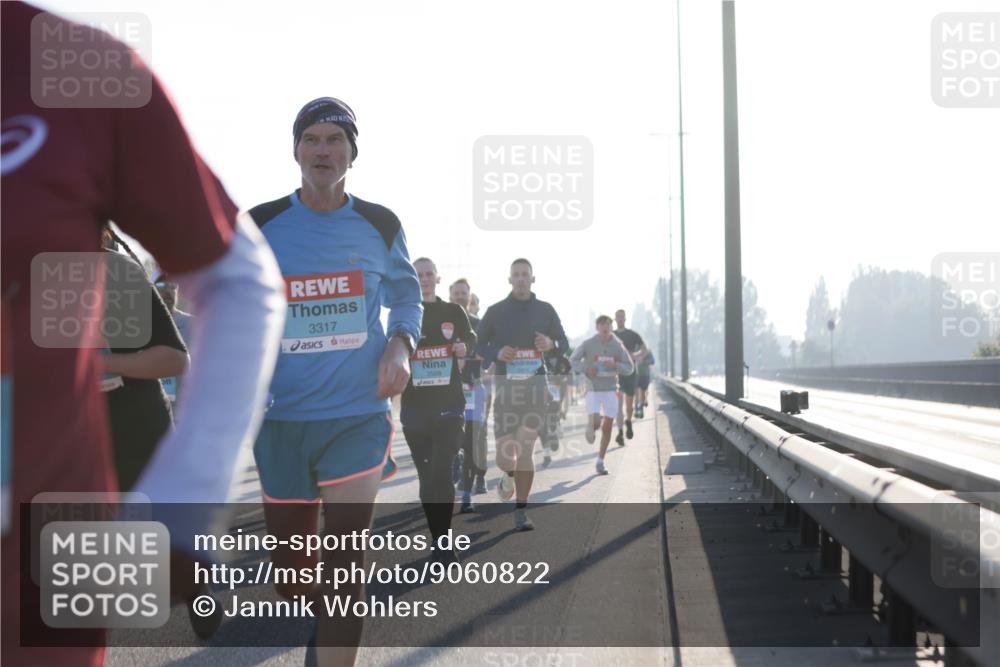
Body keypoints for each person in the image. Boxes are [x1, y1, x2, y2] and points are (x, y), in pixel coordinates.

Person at [1, 4, 285, 665]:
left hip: (53, 541)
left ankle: (205, 590)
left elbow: (231, 291)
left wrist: (187, 496)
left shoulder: (77, 70)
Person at [248, 96, 421, 665]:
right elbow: (231, 301)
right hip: (281, 418)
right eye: (312, 139)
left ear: (352, 153)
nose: (323, 150)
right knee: (294, 580)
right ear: (296, 150)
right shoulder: (261, 224)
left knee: (347, 565)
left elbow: (404, 295)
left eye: (334, 140)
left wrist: (401, 343)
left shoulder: (380, 223)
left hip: (357, 414)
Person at [476, 259, 568, 531]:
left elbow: (564, 342)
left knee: (526, 445)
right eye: (516, 274)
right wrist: (496, 353)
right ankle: (509, 474)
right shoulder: (495, 312)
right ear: (509, 279)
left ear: (532, 278)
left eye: (525, 274)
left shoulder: (545, 310)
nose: (520, 279)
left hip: (535, 387)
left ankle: (521, 510)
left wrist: (551, 344)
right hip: (506, 389)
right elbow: (478, 345)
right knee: (506, 455)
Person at [402, 260, 475, 544]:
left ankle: (443, 542)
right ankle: (436, 536)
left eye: (429, 274)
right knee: (426, 478)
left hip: (449, 403)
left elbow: (471, 336)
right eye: (418, 275)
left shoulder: (452, 311)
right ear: (411, 278)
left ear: (437, 278)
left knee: (441, 471)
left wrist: (464, 346)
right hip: (415, 406)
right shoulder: (405, 313)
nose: (424, 279)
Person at [571, 316, 635, 475]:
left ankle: (600, 461)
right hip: (593, 388)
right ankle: (590, 425)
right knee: (596, 424)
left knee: (607, 428)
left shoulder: (617, 345)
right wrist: (586, 368)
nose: (605, 327)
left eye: (608, 324)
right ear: (597, 327)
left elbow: (630, 368)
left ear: (611, 327)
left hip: (611, 389)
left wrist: (616, 365)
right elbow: (572, 360)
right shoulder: (588, 344)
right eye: (602, 324)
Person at [449, 278, 488, 503]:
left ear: (470, 296)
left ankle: (479, 476)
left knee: (476, 434)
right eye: (457, 293)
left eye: (464, 293)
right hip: (448, 387)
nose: (460, 296)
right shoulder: (443, 320)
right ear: (450, 295)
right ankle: (457, 463)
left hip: (473, 385)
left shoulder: (479, 324)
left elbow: (487, 352)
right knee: (452, 430)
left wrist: (469, 358)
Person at [154, 272, 194, 407]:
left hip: (183, 412)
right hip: (150, 410)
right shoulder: (137, 326)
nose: (168, 291)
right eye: (161, 285)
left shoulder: (194, 325)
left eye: (172, 286)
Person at [612, 309, 648, 446]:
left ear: (625, 319)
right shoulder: (612, 336)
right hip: (617, 373)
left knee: (629, 405)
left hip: (631, 372)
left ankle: (628, 421)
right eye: (618, 317)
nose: (620, 319)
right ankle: (620, 433)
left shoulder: (632, 335)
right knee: (618, 403)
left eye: (622, 317)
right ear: (615, 319)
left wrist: (635, 355)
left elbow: (644, 349)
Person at [635, 351, 655, 418]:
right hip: (635, 375)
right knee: (637, 394)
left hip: (644, 375)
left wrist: (644, 361)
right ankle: (637, 411)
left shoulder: (648, 351)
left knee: (643, 394)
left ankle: (641, 407)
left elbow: (653, 361)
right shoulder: (633, 347)